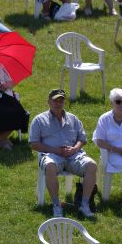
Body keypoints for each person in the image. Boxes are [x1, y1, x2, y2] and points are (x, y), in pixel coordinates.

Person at [29, 89, 97, 217]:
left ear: (64, 102)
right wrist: (54, 150)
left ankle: (84, 204)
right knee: (49, 166)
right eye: (55, 100)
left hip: (73, 155)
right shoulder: (39, 120)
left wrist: (74, 149)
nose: (58, 103)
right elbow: (33, 144)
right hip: (52, 155)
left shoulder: (73, 118)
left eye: (61, 100)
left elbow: (82, 139)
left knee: (92, 165)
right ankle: (56, 205)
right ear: (48, 102)